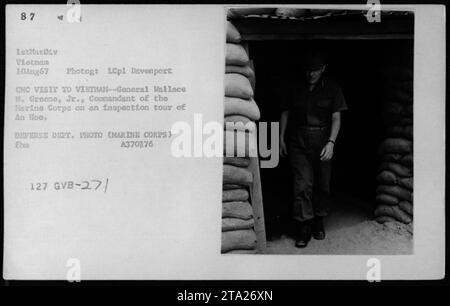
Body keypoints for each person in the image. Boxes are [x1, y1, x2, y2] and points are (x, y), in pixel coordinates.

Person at [279, 51, 348, 248]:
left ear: (323, 69)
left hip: (323, 140)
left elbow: (337, 117)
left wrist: (331, 142)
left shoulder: (333, 88)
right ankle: (304, 226)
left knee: (322, 184)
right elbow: (285, 112)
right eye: (308, 71)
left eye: (315, 71)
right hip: (298, 140)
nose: (311, 75)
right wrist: (281, 138)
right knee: (302, 184)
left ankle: (319, 220)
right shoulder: (295, 87)